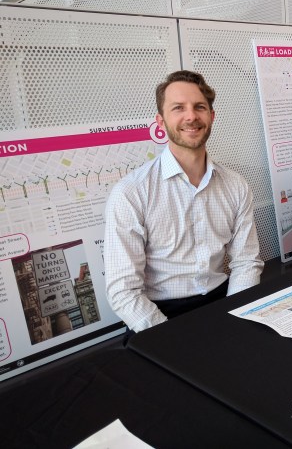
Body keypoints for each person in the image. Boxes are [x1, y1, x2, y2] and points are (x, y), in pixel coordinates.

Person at [104, 70, 263, 333]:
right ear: (160, 120)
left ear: (211, 116)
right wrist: (169, 340)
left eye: (199, 107)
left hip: (223, 300)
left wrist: (236, 318)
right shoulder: (131, 192)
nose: (191, 116)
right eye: (178, 108)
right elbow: (123, 290)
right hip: (156, 314)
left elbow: (246, 262)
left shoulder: (236, 185)